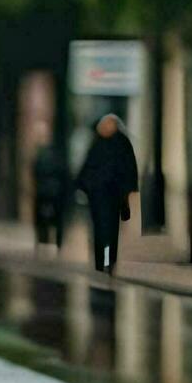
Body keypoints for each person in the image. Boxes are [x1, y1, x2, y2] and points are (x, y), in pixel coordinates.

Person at [75, 113, 138, 274]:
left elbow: (129, 169)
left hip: (109, 195)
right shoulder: (105, 143)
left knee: (107, 231)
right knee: (104, 231)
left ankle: (107, 261)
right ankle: (103, 261)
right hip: (101, 195)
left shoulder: (116, 143)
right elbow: (88, 167)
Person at [30, 120, 67, 250]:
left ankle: (45, 241)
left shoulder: (44, 155)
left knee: (45, 218)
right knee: (49, 219)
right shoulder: (53, 154)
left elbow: (36, 172)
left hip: (47, 191)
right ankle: (51, 242)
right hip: (51, 191)